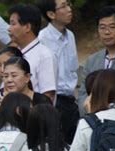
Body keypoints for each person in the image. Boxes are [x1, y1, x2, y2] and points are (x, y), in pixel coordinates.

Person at [76, 5, 115, 115]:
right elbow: (82, 95)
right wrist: (89, 115)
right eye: (102, 27)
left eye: (112, 27)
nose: (107, 32)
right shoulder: (92, 60)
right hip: (91, 121)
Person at [38, 0, 79, 143]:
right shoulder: (42, 39)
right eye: (64, 6)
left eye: (69, 4)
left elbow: (72, 70)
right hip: (54, 102)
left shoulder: (71, 36)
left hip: (71, 101)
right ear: (51, 14)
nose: (69, 9)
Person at [8, 4, 57, 103]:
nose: (9, 28)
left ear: (27, 27)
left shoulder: (44, 56)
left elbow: (48, 96)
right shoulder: (13, 54)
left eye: (13, 24)